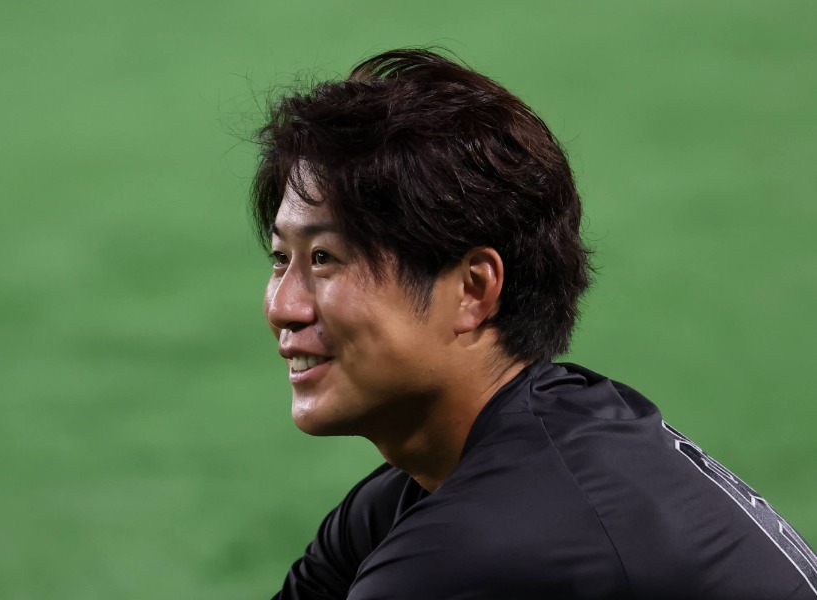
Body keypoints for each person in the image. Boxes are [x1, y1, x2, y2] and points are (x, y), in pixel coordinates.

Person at [251, 48, 817, 599]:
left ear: (472, 290)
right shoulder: (505, 461)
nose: (283, 306)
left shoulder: (479, 547)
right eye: (281, 258)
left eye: (324, 258)